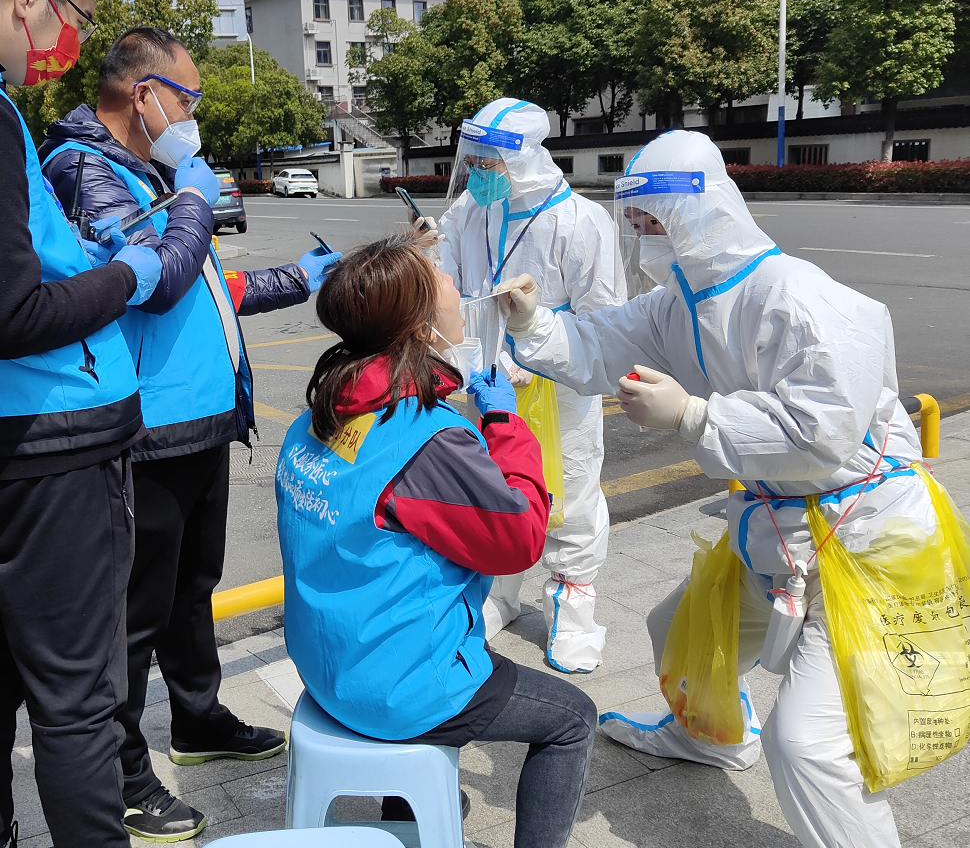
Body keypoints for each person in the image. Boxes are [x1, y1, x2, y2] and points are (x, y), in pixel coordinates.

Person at [493, 129, 939, 848]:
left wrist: (696, 417)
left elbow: (824, 432)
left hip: (866, 538)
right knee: (677, 630)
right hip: (780, 527)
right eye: (636, 221)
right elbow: (596, 344)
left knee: (808, 745)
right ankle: (711, 737)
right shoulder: (679, 303)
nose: (644, 235)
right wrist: (533, 323)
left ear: (700, 211)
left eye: (653, 219)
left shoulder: (802, 297)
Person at [40, 26, 339, 842]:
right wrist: (198, 200)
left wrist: (298, 279)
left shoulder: (149, 168)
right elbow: (160, 280)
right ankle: (123, 776)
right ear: (145, 93)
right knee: (133, 614)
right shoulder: (81, 168)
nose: (194, 116)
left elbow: (207, 283)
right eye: (189, 99)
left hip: (200, 422)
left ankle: (199, 719)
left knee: (190, 588)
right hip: (146, 428)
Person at [276, 233, 597, 848]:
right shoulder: (426, 440)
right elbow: (519, 538)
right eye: (442, 279)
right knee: (573, 719)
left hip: (326, 666)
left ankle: (422, 801)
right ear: (421, 329)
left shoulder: (319, 415)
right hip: (396, 688)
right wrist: (504, 422)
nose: (456, 285)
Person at [0, 0, 163, 846]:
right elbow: (15, 313)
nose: (71, 43)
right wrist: (125, 277)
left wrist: (79, 260)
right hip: (52, 446)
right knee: (75, 700)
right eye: (76, 16)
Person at [435, 97, 626, 674]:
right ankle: (499, 590)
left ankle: (574, 608)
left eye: (490, 161)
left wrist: (540, 348)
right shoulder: (471, 209)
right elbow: (448, 278)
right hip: (487, 378)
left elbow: (605, 321)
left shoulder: (579, 221)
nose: (479, 172)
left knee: (570, 489)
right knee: (491, 482)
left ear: (523, 157)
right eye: (474, 160)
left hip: (559, 385)